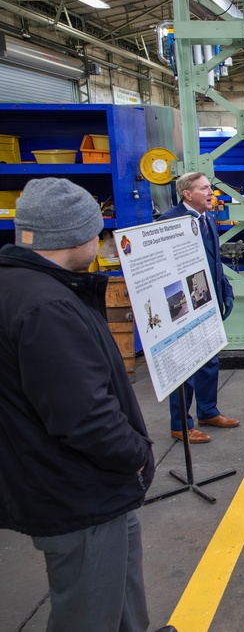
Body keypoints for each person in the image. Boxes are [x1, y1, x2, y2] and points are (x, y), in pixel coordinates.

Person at [0, 178, 158, 631]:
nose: (102, 238)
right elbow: (85, 418)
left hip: (78, 485)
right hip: (77, 489)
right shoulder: (45, 307)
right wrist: (136, 454)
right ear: (77, 235)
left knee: (120, 586)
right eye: (98, 230)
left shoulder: (24, 288)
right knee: (88, 611)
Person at [160, 172, 240, 442]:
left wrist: (225, 290)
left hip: (209, 300)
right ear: (187, 194)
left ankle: (208, 411)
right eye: (205, 188)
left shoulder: (206, 217)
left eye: (210, 187)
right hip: (185, 306)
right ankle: (180, 424)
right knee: (185, 366)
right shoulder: (170, 223)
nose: (211, 192)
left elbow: (215, 261)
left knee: (209, 361)